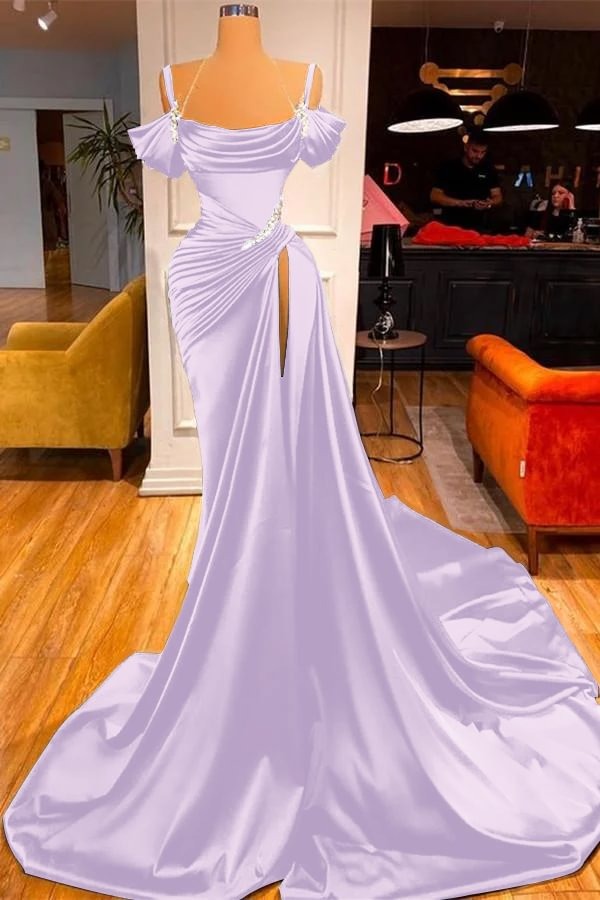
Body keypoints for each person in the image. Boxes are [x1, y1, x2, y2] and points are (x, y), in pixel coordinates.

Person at [3, 13, 600, 900]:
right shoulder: (173, 84)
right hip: (206, 283)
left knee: (288, 462)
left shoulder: (305, 80)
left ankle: (286, 628)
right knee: (234, 473)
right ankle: (239, 627)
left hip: (280, 279)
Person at [430, 126, 503, 230]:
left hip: (480, 227)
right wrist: (461, 203)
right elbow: (435, 196)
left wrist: (489, 203)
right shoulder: (449, 167)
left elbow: (498, 197)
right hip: (451, 226)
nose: (479, 156)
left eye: (483, 152)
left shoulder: (488, 169)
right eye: (475, 151)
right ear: (466, 148)